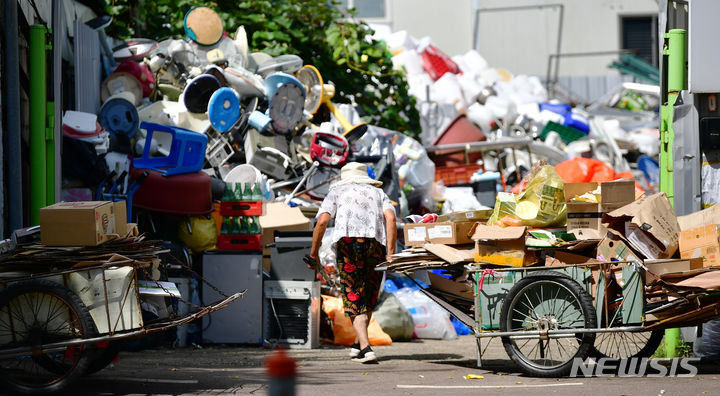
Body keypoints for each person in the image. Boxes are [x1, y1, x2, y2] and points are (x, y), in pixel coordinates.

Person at [309, 162, 396, 364]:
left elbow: (321, 222)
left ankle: (366, 349)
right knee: (369, 294)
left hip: (349, 246)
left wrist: (314, 253)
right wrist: (390, 254)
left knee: (354, 294)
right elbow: (390, 219)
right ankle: (358, 344)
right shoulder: (378, 193)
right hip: (376, 245)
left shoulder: (337, 192)